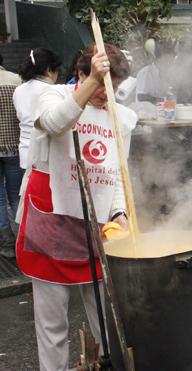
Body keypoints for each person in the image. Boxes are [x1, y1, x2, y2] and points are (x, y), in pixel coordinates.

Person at [16, 44, 136, 371]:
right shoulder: (54, 96)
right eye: (100, 85)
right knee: (53, 325)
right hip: (50, 219)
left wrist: (118, 213)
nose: (106, 96)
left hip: (93, 223)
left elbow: (116, 175)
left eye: (114, 88)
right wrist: (90, 85)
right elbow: (54, 124)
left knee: (107, 321)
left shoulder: (120, 117)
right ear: (81, 74)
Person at [14, 48, 62, 169]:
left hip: (25, 149)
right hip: (45, 154)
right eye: (57, 70)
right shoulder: (51, 90)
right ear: (48, 70)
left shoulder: (18, 90)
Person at [0, 53, 22, 259]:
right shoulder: (17, 81)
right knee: (15, 194)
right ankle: (21, 239)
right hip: (14, 147)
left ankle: (7, 243)